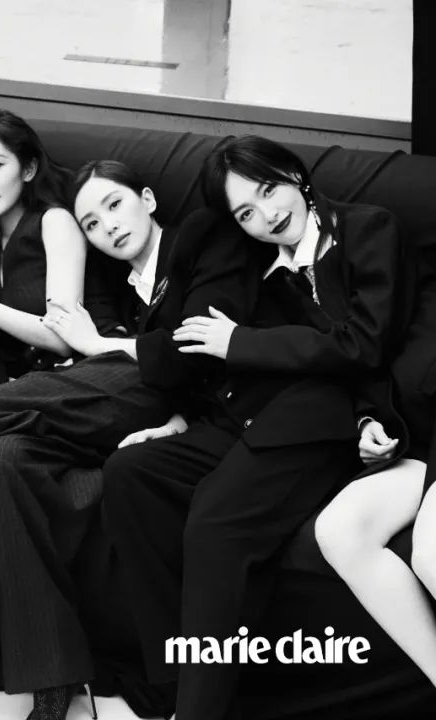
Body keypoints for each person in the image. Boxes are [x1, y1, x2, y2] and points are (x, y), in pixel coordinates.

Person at [0, 150, 258, 719]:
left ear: (147, 199)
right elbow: (83, 347)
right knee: (7, 457)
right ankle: (53, 677)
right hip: (117, 397)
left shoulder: (196, 240)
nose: (108, 226)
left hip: (158, 392)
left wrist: (105, 353)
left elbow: (193, 347)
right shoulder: (110, 281)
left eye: (115, 205)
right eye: (93, 222)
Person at [101, 134, 423, 720]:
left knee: (216, 523)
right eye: (246, 213)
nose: (267, 215)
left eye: (270, 190)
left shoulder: (368, 228)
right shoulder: (260, 266)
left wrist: (241, 343)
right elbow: (209, 359)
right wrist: (178, 419)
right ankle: (173, 685)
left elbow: (367, 344)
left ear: (296, 174)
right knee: (132, 474)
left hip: (320, 417)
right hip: (256, 414)